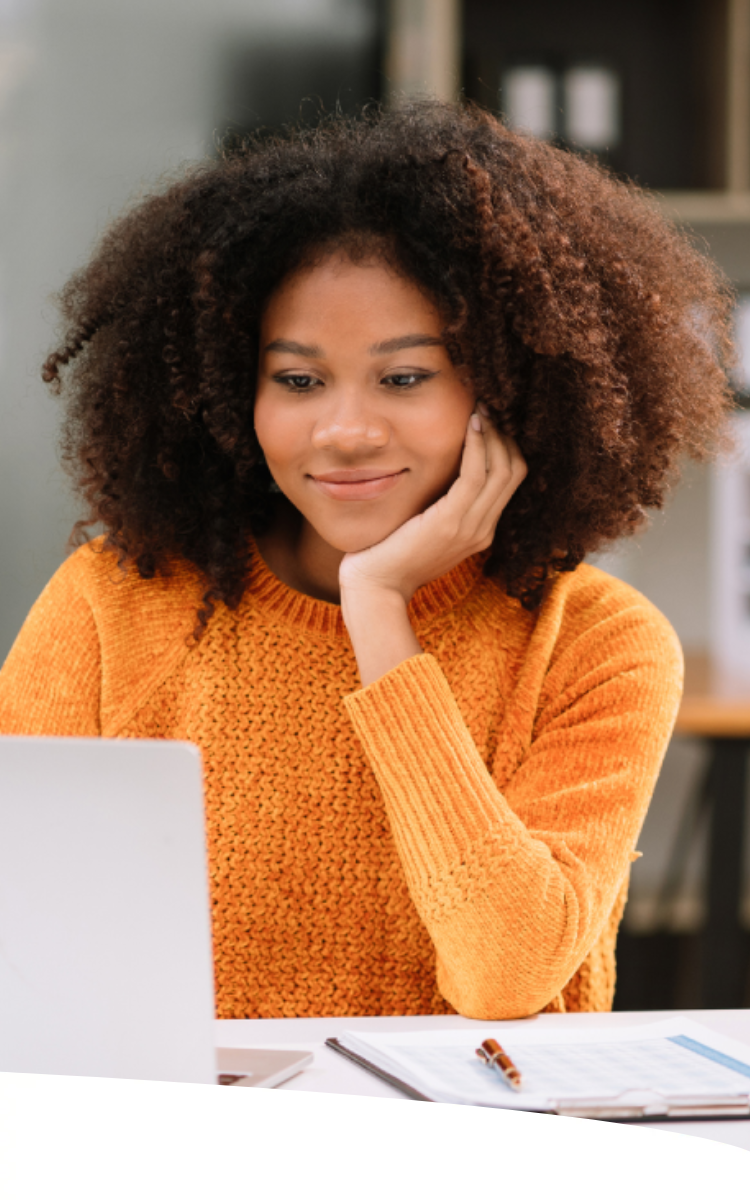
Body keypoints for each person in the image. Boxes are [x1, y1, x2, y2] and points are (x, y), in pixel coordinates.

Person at [0, 101, 733, 1020]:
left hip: (472, 1155)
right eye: (298, 381)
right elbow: (25, 945)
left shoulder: (596, 645)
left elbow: (503, 974)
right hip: (179, 1143)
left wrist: (379, 608)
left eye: (404, 378)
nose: (345, 431)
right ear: (233, 391)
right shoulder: (116, 603)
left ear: (508, 390)